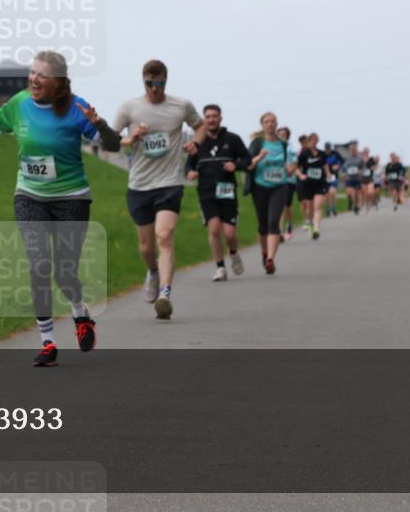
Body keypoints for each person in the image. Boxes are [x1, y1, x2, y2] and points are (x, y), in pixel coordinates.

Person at [0, 51, 120, 366]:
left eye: (41, 75)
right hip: (29, 195)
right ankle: (47, 342)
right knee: (39, 266)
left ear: (58, 82)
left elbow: (114, 145)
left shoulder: (77, 108)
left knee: (65, 271)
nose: (33, 79)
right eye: (32, 73)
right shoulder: (21, 102)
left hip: (72, 198)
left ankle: (80, 314)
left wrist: (99, 124)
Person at [112, 60, 206, 319]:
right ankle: (153, 271)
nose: (154, 88)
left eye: (160, 83)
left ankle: (165, 295)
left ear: (166, 80)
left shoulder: (180, 106)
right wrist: (131, 138)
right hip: (139, 185)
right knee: (146, 247)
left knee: (164, 235)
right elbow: (110, 139)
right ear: (143, 81)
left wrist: (196, 143)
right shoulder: (129, 107)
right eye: (149, 84)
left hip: (169, 182)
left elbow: (200, 126)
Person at [185, 104, 252, 281]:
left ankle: (234, 253)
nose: (211, 119)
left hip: (227, 191)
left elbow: (248, 159)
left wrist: (235, 165)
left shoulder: (233, 139)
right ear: (204, 120)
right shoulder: (197, 142)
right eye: (208, 117)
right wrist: (190, 173)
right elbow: (188, 165)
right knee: (214, 229)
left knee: (229, 234)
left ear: (220, 118)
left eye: (215, 116)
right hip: (206, 192)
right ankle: (220, 268)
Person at [245, 112, 294, 275]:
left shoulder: (283, 144)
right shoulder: (257, 143)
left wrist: (289, 169)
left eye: (273, 121)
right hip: (260, 187)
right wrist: (259, 157)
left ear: (277, 124)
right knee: (263, 225)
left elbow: (286, 162)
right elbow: (248, 166)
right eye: (267, 122)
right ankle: (264, 253)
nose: (270, 124)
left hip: (280, 186)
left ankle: (270, 259)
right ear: (262, 125)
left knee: (273, 221)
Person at [296, 134, 331, 239]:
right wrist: (300, 175)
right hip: (307, 183)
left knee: (317, 206)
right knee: (310, 207)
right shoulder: (304, 154)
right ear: (308, 141)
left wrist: (328, 174)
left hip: (320, 183)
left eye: (315, 140)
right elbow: (296, 167)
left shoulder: (322, 153)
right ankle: (309, 223)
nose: (313, 142)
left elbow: (325, 165)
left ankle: (316, 229)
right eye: (311, 140)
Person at [276, 127, 297, 240]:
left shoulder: (291, 147)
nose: (282, 136)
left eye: (284, 134)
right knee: (281, 206)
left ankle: (290, 224)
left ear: (287, 136)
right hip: (277, 180)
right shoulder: (274, 146)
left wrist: (290, 170)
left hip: (289, 180)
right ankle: (280, 231)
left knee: (287, 206)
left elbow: (295, 162)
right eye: (280, 134)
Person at [342, 142, 364, 215]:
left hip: (357, 179)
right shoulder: (346, 158)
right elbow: (343, 167)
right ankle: (351, 201)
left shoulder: (360, 158)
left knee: (357, 194)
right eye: (352, 149)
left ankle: (356, 206)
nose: (353, 150)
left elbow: (364, 168)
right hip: (349, 178)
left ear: (356, 150)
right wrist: (342, 173)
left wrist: (360, 171)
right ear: (350, 150)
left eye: (354, 149)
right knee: (350, 192)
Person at [323, 142, 343, 217]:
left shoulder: (335, 153)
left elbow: (342, 161)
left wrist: (338, 166)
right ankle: (328, 208)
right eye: (326, 149)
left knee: (332, 192)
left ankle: (334, 207)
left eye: (328, 149)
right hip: (325, 176)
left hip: (334, 176)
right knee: (327, 194)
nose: (327, 150)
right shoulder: (323, 154)